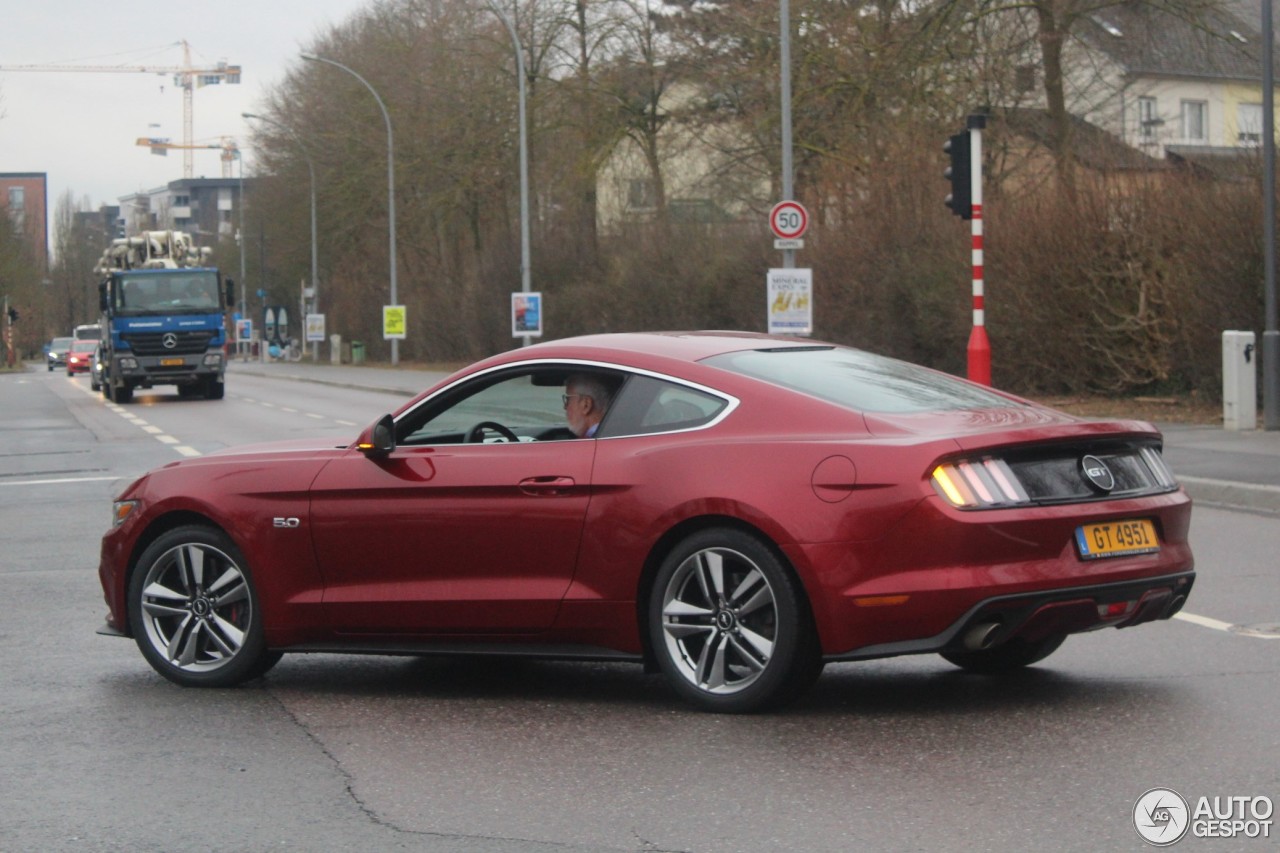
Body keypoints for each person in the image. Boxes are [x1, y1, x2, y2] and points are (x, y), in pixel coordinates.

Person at [563, 373, 614, 438]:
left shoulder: (593, 441)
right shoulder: (614, 435)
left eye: (568, 399)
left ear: (586, 405)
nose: (565, 407)